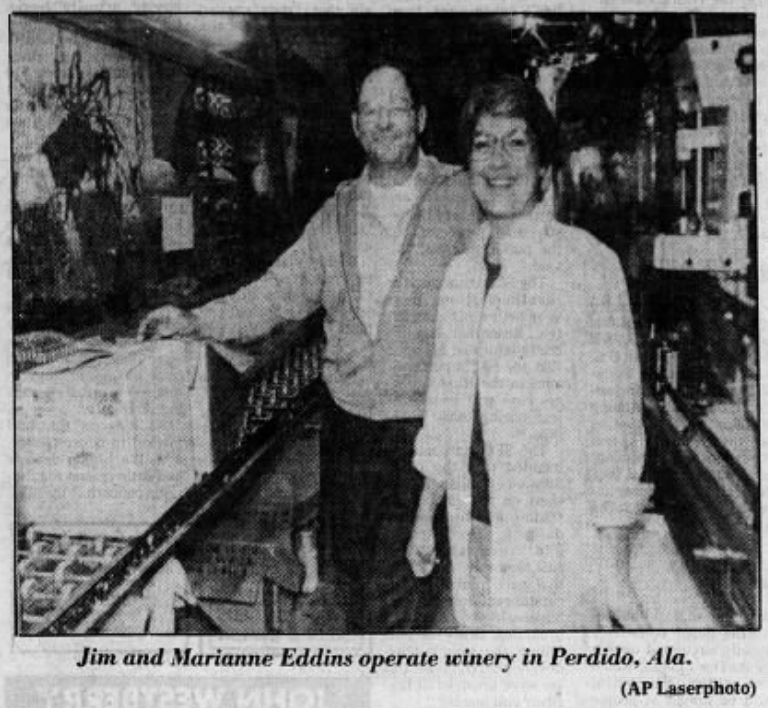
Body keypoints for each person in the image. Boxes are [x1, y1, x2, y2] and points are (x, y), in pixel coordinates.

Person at [138, 61, 478, 631]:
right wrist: (197, 320)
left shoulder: (460, 197)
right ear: (354, 125)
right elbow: (275, 293)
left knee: (402, 595)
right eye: (370, 110)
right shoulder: (337, 213)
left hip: (423, 435)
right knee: (348, 586)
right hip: (347, 430)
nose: (383, 121)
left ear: (419, 118)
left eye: (396, 107)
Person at [406, 76, 652, 630]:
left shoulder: (586, 267)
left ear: (543, 164)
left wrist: (613, 574)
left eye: (516, 142)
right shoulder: (461, 276)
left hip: (560, 549)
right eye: (482, 143)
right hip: (474, 528)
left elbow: (615, 429)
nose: (498, 162)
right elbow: (446, 411)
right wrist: (425, 515)